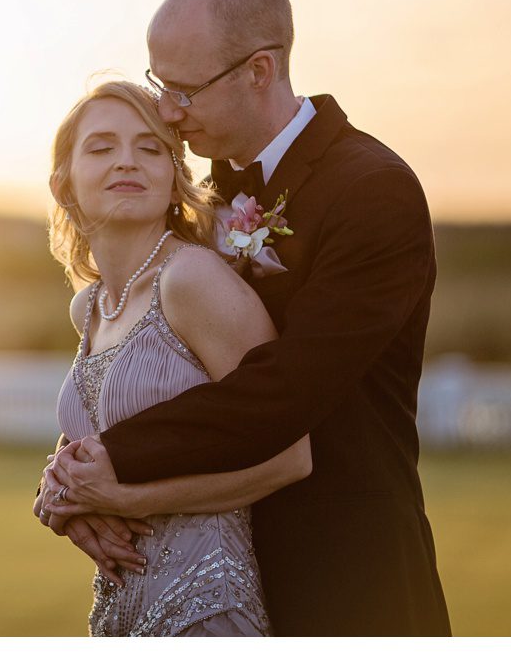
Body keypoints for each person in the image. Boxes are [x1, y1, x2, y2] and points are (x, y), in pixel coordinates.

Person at [40, 0, 451, 636]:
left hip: (344, 579)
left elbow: (284, 390)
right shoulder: (215, 191)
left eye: (183, 90)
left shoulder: (372, 191)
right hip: (212, 563)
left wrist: (110, 467)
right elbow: (136, 366)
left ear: (258, 71)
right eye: (158, 84)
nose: (168, 112)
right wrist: (64, 487)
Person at [37, 79, 312, 636]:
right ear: (63, 183)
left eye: (149, 146)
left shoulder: (192, 279)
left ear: (173, 176)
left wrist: (128, 499)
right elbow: (106, 440)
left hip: (205, 604)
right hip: (121, 609)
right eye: (101, 147)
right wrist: (60, 494)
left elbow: (292, 457)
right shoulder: (87, 308)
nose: (127, 161)